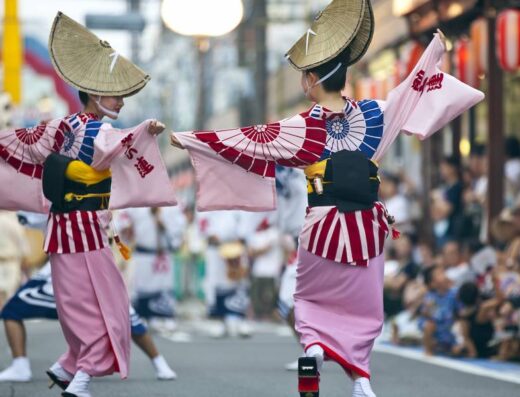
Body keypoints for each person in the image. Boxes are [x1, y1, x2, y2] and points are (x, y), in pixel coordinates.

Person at [169, 1, 483, 395]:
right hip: (367, 226)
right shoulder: (375, 114)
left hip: (321, 226)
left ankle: (315, 348)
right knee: (365, 305)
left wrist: (193, 140)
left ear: (311, 81)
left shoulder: (302, 127)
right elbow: (410, 94)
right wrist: (434, 51)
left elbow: (248, 142)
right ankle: (362, 380)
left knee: (311, 298)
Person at [0, 13, 176, 397]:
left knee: (76, 304)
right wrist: (146, 130)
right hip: (84, 232)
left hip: (63, 230)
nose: (120, 100)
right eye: (114, 94)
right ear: (95, 94)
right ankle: (79, 376)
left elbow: (21, 146)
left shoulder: (59, 126)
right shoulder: (101, 130)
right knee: (105, 305)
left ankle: (67, 367)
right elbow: (114, 147)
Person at [118, 207, 186, 333]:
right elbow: (124, 223)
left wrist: (164, 226)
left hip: (163, 253)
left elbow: (179, 229)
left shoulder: (171, 205)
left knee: (164, 285)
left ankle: (166, 316)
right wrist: (127, 228)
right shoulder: (137, 204)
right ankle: (144, 316)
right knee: (143, 285)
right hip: (143, 253)